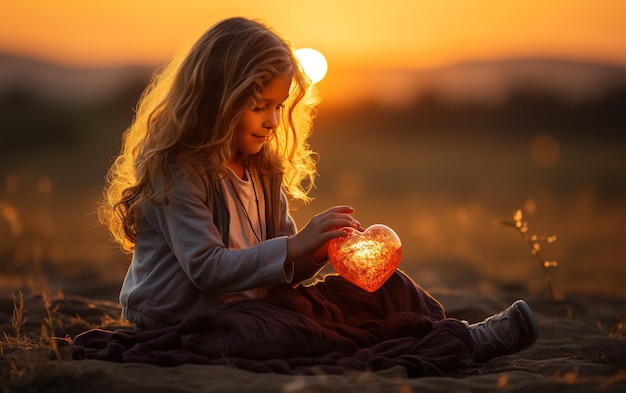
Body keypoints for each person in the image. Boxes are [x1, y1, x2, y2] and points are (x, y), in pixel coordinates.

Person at [95, 17, 538, 376]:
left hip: (259, 306)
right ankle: (463, 343)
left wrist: (322, 250)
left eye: (278, 106)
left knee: (391, 291)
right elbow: (207, 271)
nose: (272, 120)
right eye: (259, 105)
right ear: (215, 100)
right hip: (190, 320)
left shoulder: (261, 169)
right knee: (274, 334)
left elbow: (285, 274)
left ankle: (453, 335)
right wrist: (295, 245)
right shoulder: (178, 172)